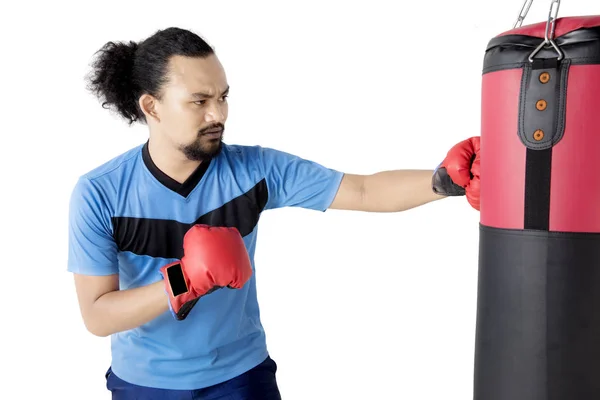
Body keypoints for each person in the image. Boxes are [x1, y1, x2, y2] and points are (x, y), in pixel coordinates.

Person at [68, 26, 480, 399]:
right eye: (200, 101)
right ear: (152, 107)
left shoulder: (256, 171)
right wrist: (184, 279)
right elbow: (98, 315)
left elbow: (364, 189)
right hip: (146, 385)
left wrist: (445, 180)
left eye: (223, 96)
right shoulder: (101, 192)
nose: (219, 114)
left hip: (240, 377)